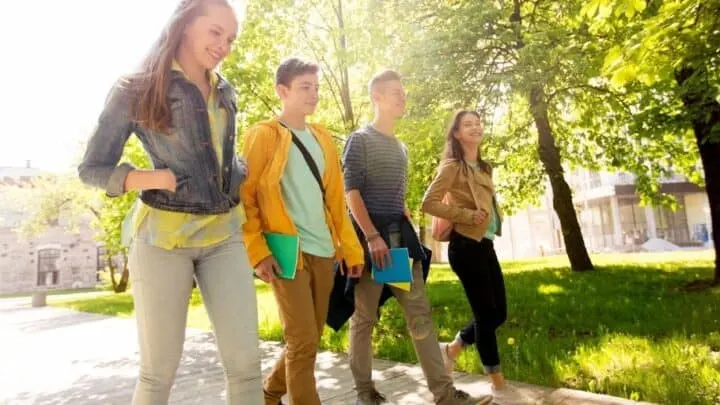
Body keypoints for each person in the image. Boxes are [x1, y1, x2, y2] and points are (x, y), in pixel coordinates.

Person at [77, 1, 263, 404]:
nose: (224, 46)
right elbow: (92, 167)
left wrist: (238, 170)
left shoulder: (224, 88)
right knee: (158, 372)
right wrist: (149, 177)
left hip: (225, 235)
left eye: (230, 38)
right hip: (163, 240)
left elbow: (218, 152)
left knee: (247, 366)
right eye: (215, 32)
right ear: (183, 25)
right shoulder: (136, 88)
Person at [343, 71, 493, 405]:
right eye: (395, 93)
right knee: (365, 319)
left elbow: (397, 197)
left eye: (403, 93)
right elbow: (350, 192)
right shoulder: (360, 139)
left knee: (420, 315)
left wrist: (406, 220)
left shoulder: (401, 147)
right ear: (377, 97)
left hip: (398, 244)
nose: (402, 98)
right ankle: (364, 393)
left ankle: (444, 393)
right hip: (371, 245)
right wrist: (370, 237)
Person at [240, 57, 365, 405]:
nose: (313, 94)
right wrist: (256, 250)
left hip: (324, 249)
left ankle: (269, 393)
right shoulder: (262, 135)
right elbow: (245, 198)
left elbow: (336, 200)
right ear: (283, 91)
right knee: (302, 339)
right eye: (304, 87)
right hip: (285, 251)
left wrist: (350, 249)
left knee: (308, 338)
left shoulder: (323, 137)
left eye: (316, 87)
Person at [421, 109, 507, 392]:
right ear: (456, 133)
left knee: (498, 314)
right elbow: (429, 203)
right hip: (465, 247)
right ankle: (497, 382)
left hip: (485, 244)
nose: (475, 128)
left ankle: (454, 348)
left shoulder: (484, 167)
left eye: (477, 123)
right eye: (467, 124)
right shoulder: (452, 167)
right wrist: (466, 216)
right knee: (485, 315)